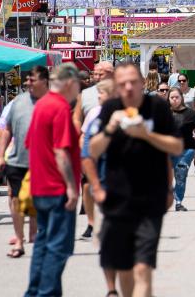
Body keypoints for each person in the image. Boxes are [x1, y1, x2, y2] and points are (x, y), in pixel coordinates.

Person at [90, 62, 182, 297]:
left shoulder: (157, 107)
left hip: (150, 199)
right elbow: (93, 150)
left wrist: (146, 134)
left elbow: (176, 146)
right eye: (122, 84)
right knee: (125, 268)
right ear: (117, 87)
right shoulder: (111, 107)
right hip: (118, 200)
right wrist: (110, 128)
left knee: (143, 267)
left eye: (133, 82)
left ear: (143, 83)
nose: (129, 88)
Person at [24, 63, 82, 297]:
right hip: (57, 188)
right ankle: (45, 293)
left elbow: (30, 144)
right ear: (69, 83)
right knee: (59, 247)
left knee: (43, 243)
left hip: (41, 187)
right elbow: (61, 151)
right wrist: (71, 187)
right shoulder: (59, 108)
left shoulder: (41, 106)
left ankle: (36, 291)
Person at [0, 66, 49, 258]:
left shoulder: (53, 102)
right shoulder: (17, 102)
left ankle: (34, 233)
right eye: (27, 80)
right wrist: (1, 155)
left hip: (43, 162)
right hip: (17, 160)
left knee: (36, 199)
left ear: (44, 81)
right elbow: (7, 130)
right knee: (17, 199)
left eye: (32, 79)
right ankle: (19, 240)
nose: (27, 83)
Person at [80, 78, 119, 296]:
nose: (99, 99)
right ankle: (112, 288)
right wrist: (95, 182)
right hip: (106, 183)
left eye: (102, 95)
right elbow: (86, 148)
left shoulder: (130, 115)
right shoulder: (95, 116)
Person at [77, 60, 114, 239]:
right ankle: (91, 222)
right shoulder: (85, 94)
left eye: (101, 73)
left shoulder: (121, 92)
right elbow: (78, 121)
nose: (97, 76)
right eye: (95, 73)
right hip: (92, 148)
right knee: (88, 186)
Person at [168, 87, 195, 212]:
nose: (174, 100)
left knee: (181, 173)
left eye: (177, 97)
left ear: (181, 97)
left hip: (187, 149)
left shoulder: (190, 113)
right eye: (172, 97)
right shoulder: (164, 113)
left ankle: (179, 202)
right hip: (167, 149)